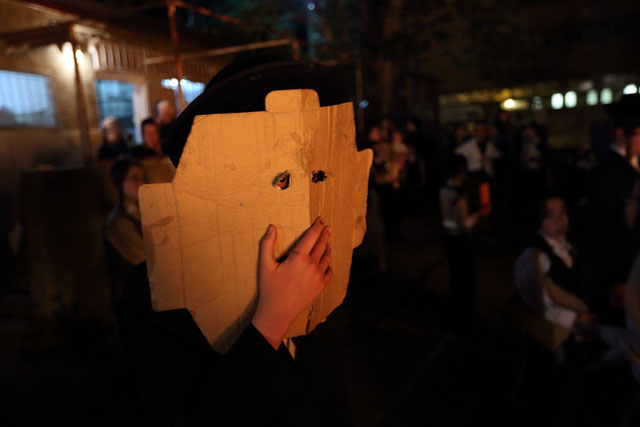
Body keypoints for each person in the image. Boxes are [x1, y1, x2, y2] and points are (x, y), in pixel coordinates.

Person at [119, 58, 358, 426]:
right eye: (279, 180)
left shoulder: (322, 268)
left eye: (319, 176)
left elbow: (330, 394)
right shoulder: (157, 291)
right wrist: (271, 320)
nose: (304, 204)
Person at [439, 154, 490, 323]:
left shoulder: (446, 189)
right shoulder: (455, 194)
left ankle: (456, 310)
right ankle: (463, 313)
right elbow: (463, 223)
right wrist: (479, 214)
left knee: (457, 275)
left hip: (449, 238)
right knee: (465, 276)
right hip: (459, 239)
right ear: (461, 172)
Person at [104, 159, 147, 308]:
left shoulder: (140, 212)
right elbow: (144, 258)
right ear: (120, 181)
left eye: (143, 178)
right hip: (132, 298)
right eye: (135, 178)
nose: (141, 183)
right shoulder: (118, 222)